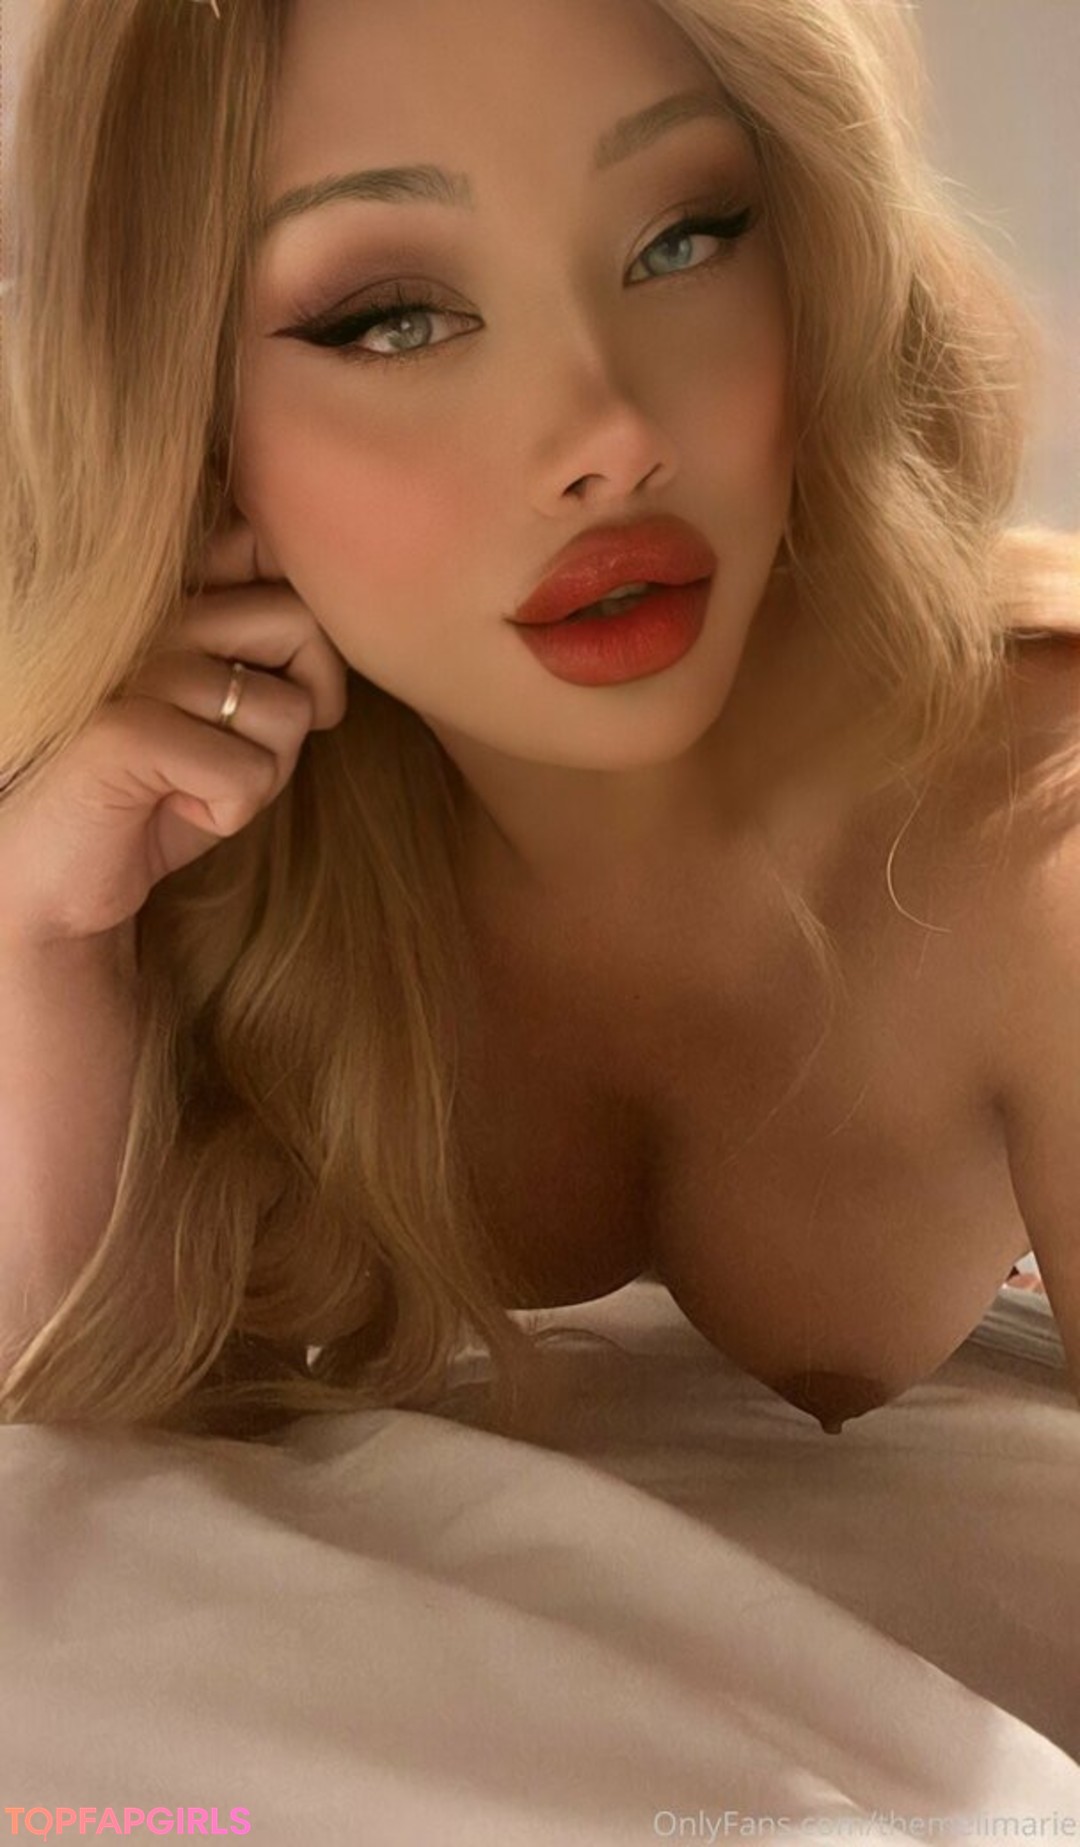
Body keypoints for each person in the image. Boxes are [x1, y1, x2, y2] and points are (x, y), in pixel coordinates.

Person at [0, 0, 1077, 1444]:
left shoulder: (1034, 823)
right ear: (183, 418)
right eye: (395, 320)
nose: (610, 438)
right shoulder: (221, 857)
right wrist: (44, 946)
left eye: (684, 239)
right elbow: (83, 1451)